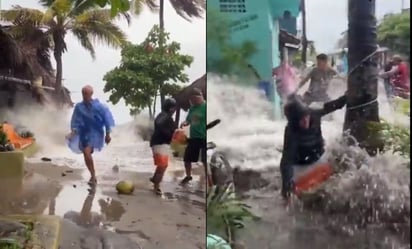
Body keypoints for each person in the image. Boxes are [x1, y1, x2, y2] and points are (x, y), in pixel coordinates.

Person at [280, 93, 347, 200]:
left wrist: (346, 97)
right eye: (301, 120)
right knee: (301, 195)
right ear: (294, 121)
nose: (305, 121)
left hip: (319, 158)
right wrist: (286, 187)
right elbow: (286, 161)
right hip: (302, 166)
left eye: (306, 117)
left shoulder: (314, 113)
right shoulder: (291, 132)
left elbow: (334, 105)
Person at [66, 85, 115, 185]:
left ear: (91, 94)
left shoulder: (100, 107)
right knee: (86, 153)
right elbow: (75, 121)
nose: (84, 95)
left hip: (96, 133)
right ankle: (93, 175)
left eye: (86, 93)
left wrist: (108, 134)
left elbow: (107, 121)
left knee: (87, 152)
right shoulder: (79, 107)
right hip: (84, 133)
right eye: (83, 93)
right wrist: (73, 132)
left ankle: (93, 176)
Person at [149, 98, 178, 195]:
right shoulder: (163, 116)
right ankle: (156, 186)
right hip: (159, 143)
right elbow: (158, 123)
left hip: (163, 144)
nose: (175, 111)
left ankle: (155, 180)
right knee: (162, 165)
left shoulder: (167, 117)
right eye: (174, 108)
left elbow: (173, 130)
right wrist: (168, 134)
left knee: (163, 165)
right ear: (171, 108)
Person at [180, 88, 207, 185]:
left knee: (205, 160)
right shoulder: (192, 108)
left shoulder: (206, 107)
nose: (192, 102)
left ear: (199, 97)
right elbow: (189, 120)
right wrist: (185, 122)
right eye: (191, 100)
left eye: (193, 100)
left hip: (204, 137)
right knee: (187, 159)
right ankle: (188, 176)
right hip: (194, 137)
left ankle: (209, 178)